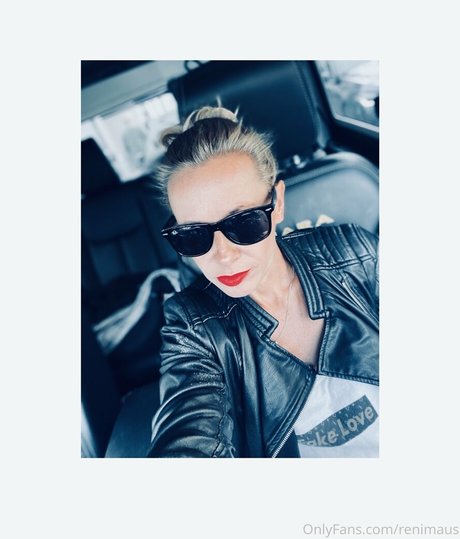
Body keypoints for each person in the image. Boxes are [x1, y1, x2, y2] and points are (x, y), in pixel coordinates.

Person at [147, 105, 379, 458]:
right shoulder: (193, 327)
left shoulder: (354, 254)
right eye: (193, 236)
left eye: (243, 222)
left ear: (278, 203)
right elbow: (188, 434)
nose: (223, 255)